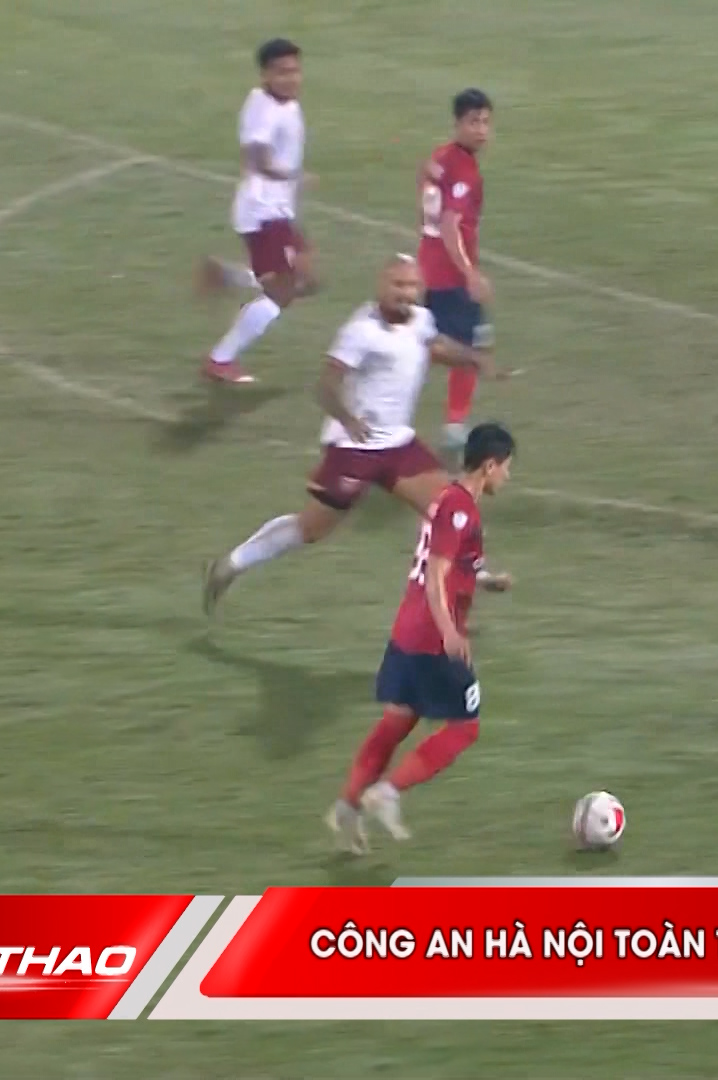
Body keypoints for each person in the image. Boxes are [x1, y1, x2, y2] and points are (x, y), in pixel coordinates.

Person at [202, 255, 503, 614]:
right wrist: (347, 419)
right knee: (311, 529)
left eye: (412, 286)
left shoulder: (420, 319)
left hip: (397, 444)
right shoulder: (361, 331)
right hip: (354, 448)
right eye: (398, 285)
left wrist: (472, 358)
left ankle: (477, 575)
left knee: (450, 505)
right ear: (381, 285)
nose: (406, 293)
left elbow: (433, 345)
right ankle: (230, 565)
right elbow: (326, 385)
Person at [329, 422, 517, 852]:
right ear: (489, 466)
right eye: (506, 467)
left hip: (407, 629)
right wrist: (450, 632)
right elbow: (435, 576)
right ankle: (387, 793)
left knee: (398, 720)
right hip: (432, 635)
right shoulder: (461, 510)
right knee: (465, 727)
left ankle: (348, 806)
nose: (508, 476)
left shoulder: (447, 500)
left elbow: (450, 567)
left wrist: (488, 581)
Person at [196, 38, 315, 385]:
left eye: (295, 71)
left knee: (308, 278)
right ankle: (220, 359)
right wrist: (293, 177)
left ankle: (228, 276)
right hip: (263, 212)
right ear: (265, 75)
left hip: (280, 209)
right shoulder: (263, 109)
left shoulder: (285, 104)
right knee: (282, 293)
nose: (290, 79)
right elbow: (256, 159)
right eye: (282, 72)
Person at [417, 89, 494, 449]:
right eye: (473, 122)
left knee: (438, 341)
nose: (481, 130)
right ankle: (454, 425)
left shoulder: (439, 157)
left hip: (429, 265)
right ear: (457, 123)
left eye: (486, 122)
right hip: (449, 274)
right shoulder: (464, 169)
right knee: (466, 347)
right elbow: (450, 225)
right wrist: (469, 273)